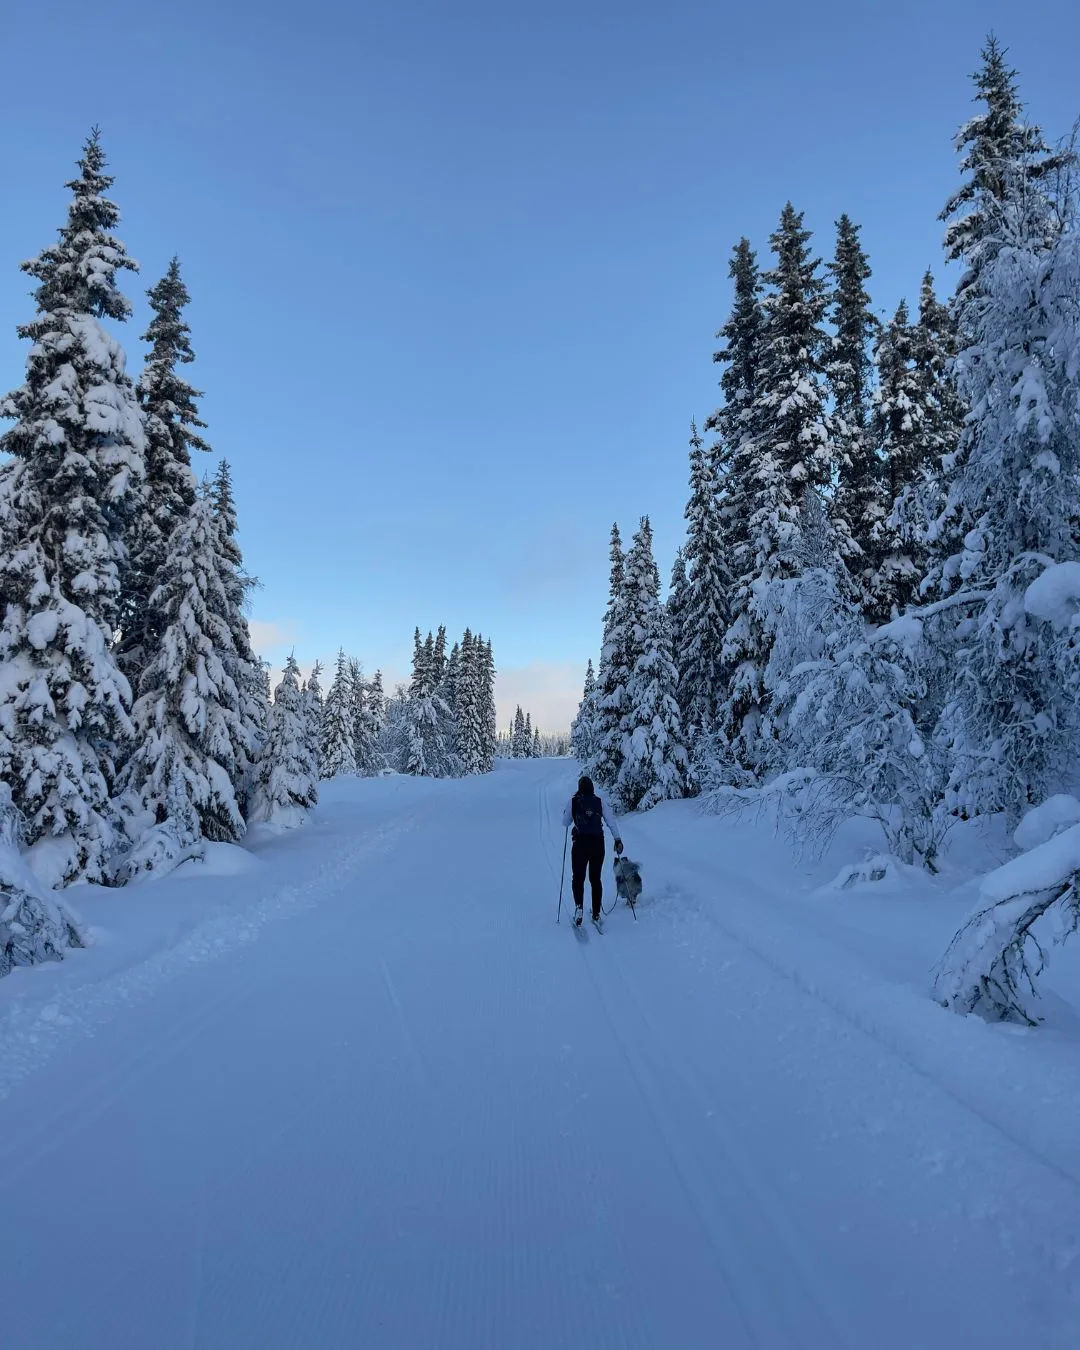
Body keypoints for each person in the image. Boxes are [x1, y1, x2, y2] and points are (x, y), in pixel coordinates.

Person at [561, 775, 623, 926]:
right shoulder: (599, 802)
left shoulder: (574, 801)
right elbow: (611, 821)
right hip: (597, 843)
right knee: (595, 879)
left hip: (580, 844)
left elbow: (565, 823)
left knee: (578, 878)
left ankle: (579, 908)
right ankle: (596, 913)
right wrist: (617, 839)